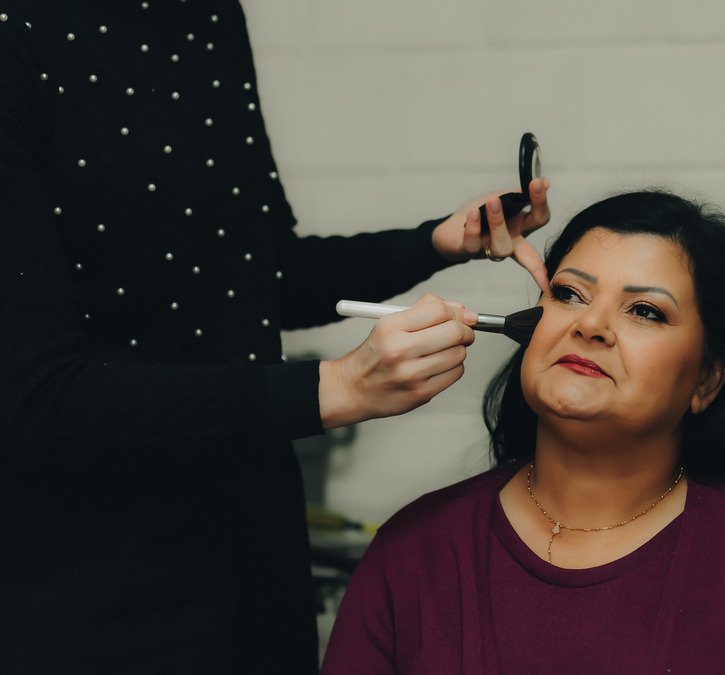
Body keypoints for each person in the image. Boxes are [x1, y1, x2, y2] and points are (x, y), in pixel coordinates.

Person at [0, 3, 549, 674]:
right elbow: (37, 397)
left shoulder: (208, 18)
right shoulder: (17, 36)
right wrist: (334, 389)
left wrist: (433, 243)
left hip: (254, 548)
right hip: (93, 581)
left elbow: (252, 273)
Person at [321, 190, 725, 673]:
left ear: (708, 379)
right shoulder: (411, 552)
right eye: (568, 294)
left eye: (645, 310)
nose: (590, 324)